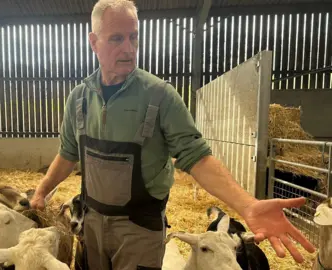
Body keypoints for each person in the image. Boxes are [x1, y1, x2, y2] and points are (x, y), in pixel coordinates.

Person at [30, 0, 316, 268]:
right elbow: (68, 154)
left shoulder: (160, 96)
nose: (128, 48)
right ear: (94, 42)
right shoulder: (79, 99)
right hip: (91, 227)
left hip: (139, 231)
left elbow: (198, 158)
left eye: (133, 37)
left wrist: (248, 204)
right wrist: (41, 192)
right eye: (116, 38)